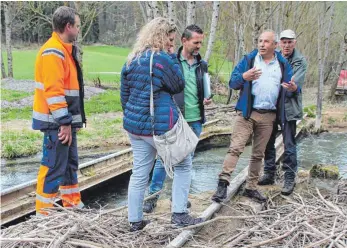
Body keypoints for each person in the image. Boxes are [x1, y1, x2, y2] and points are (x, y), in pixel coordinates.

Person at [121, 17, 204, 232]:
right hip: (159, 126)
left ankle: (135, 220)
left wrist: (134, 117)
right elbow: (178, 85)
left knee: (139, 172)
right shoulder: (163, 59)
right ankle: (179, 214)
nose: (172, 44)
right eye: (170, 39)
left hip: (135, 128)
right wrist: (170, 57)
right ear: (160, 37)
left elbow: (125, 95)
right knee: (183, 165)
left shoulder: (132, 59)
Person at [212, 30, 293, 203]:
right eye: (260, 41)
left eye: (266, 41)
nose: (262, 44)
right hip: (247, 113)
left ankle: (251, 187)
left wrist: (294, 88)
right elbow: (233, 82)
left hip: (269, 116)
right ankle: (223, 184)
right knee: (235, 148)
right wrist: (244, 76)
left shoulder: (282, 63)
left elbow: (292, 86)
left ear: (274, 45)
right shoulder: (249, 60)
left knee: (258, 154)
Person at [143, 24, 212, 214]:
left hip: (196, 119)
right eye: (196, 42)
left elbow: (203, 89)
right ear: (184, 40)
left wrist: (207, 98)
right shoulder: (171, 61)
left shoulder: (202, 65)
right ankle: (152, 197)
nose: (199, 46)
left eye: (201, 43)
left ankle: (178, 198)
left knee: (187, 160)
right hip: (174, 119)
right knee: (163, 160)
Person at [33, 6, 86, 216]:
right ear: (68, 27)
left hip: (65, 122)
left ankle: (73, 205)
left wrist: (71, 122)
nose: (79, 30)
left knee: (70, 165)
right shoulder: (53, 52)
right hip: (56, 123)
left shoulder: (64, 50)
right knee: (53, 166)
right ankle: (43, 215)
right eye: (78, 26)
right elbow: (53, 92)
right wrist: (64, 122)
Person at [258, 29, 307, 195]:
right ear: (279, 43)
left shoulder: (299, 61)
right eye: (284, 42)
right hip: (273, 106)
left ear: (294, 42)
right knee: (268, 141)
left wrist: (293, 87)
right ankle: (269, 173)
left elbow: (294, 83)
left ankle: (289, 178)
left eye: (290, 42)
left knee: (289, 143)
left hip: (289, 108)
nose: (287, 45)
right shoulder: (275, 57)